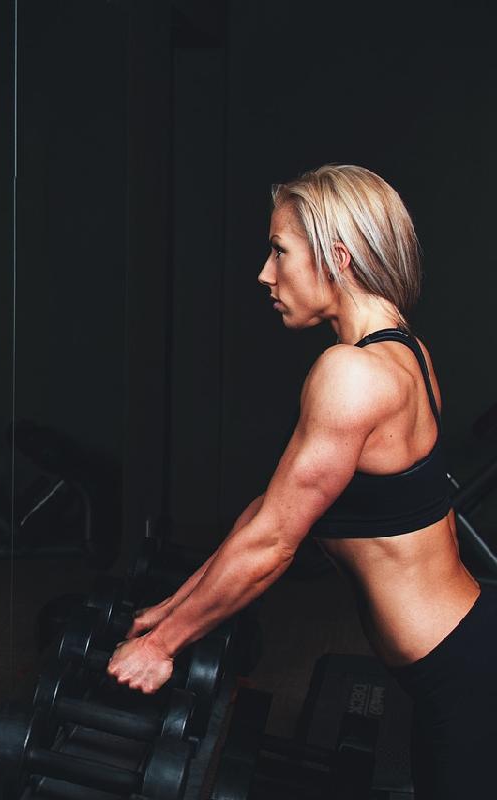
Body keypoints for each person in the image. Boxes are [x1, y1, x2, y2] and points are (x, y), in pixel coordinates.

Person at [106, 164, 493, 798]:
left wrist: (163, 647)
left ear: (337, 256)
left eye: (279, 250)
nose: (265, 273)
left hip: (462, 670)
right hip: (459, 655)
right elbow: (267, 513)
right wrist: (172, 610)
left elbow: (276, 543)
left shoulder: (353, 374)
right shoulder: (407, 354)